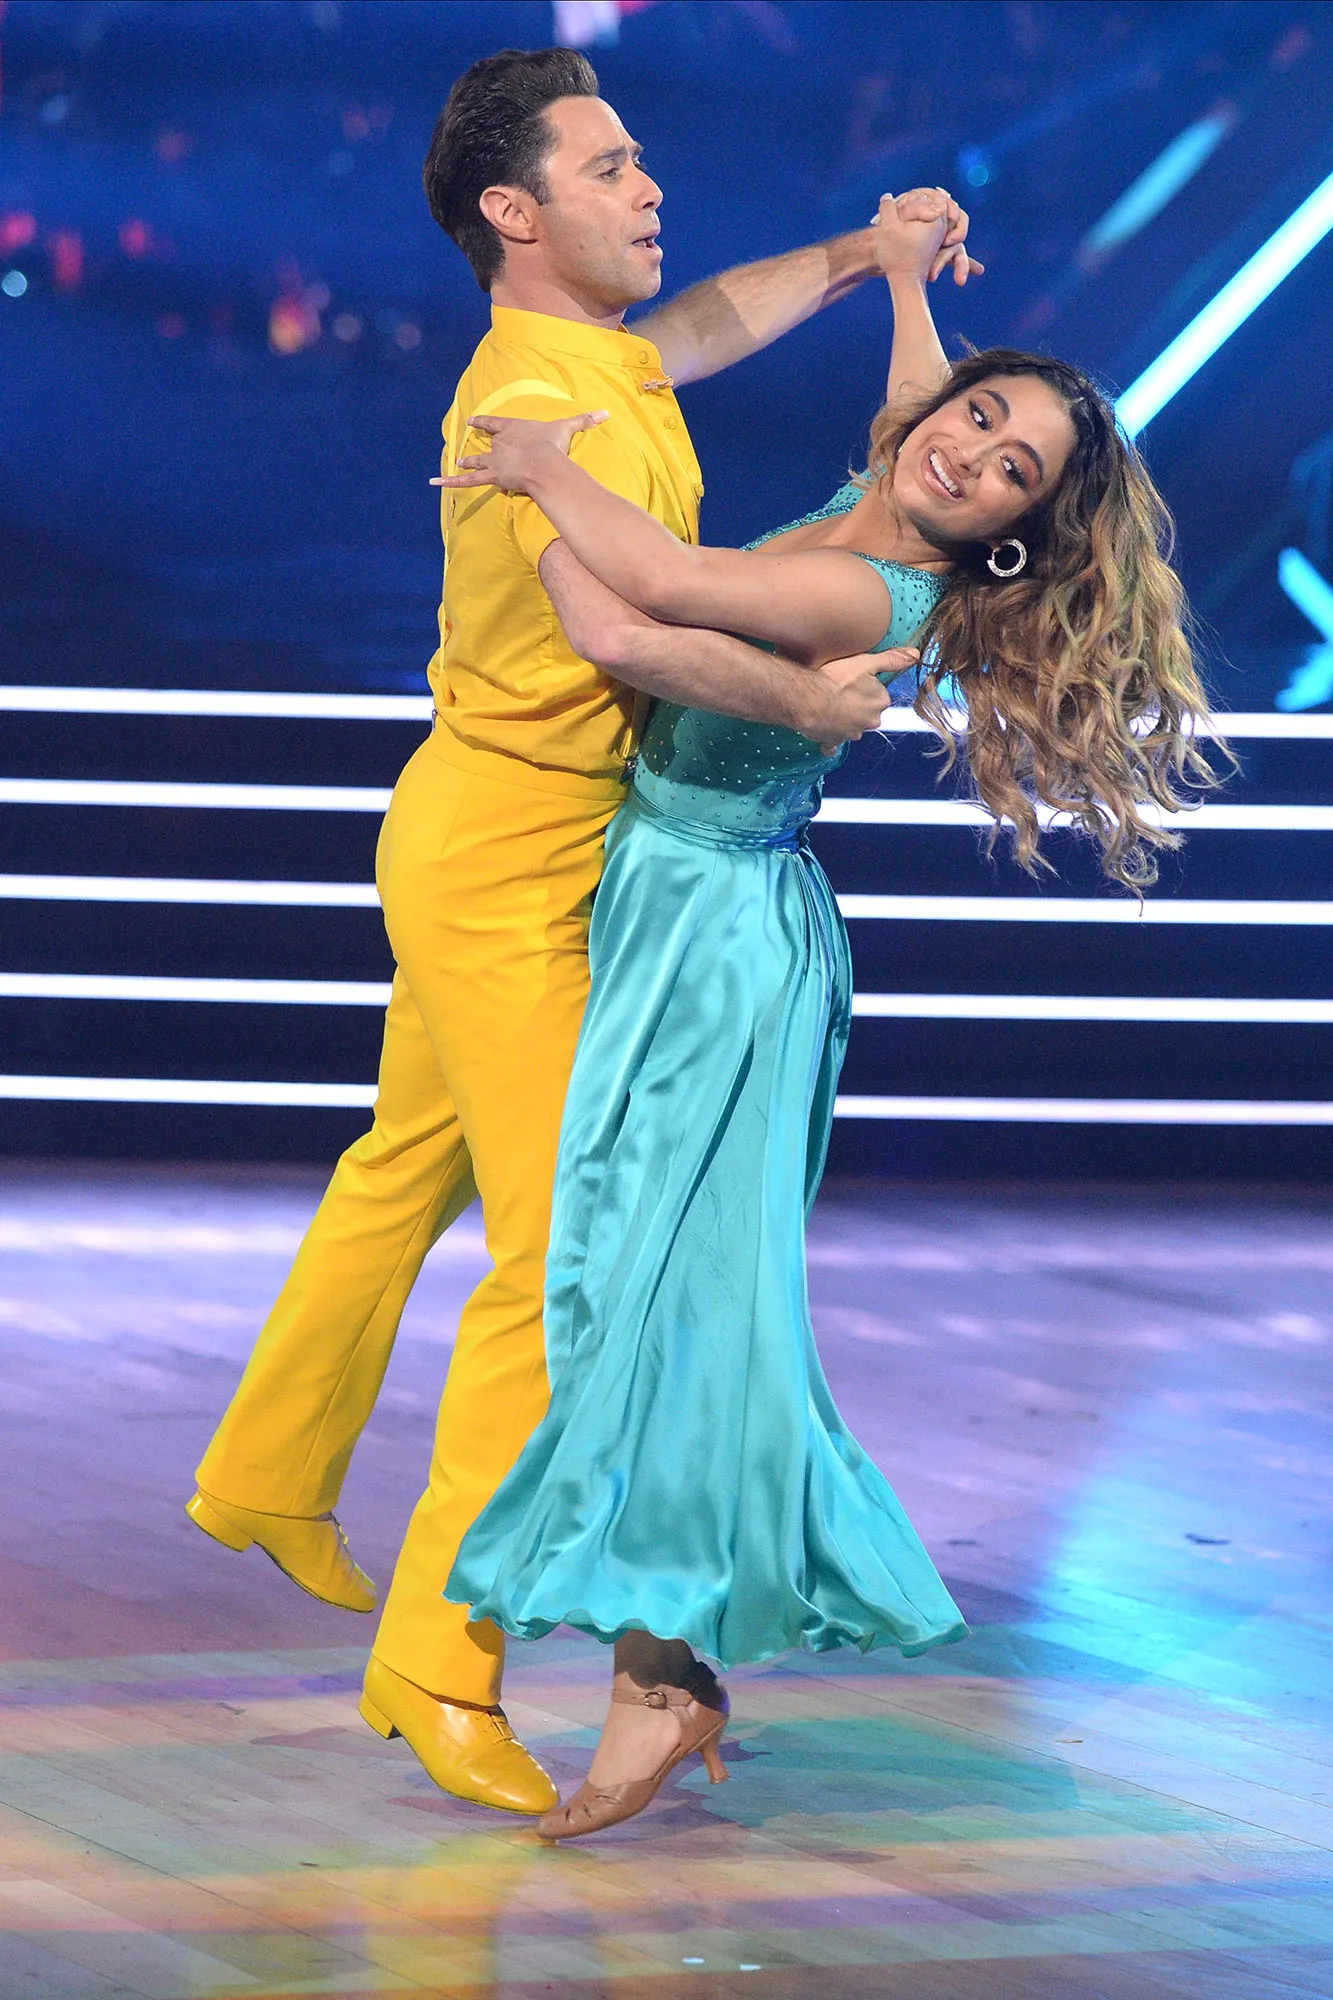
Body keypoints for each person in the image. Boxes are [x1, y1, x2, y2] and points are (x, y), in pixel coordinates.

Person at [185, 47, 966, 1818]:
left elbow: (702, 321)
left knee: (406, 1165)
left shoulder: (583, 361)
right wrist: (807, 694)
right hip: (514, 855)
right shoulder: (545, 409)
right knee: (554, 1269)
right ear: (514, 212)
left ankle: (268, 1474)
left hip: (487, 821)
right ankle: (429, 1662)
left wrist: (865, 257)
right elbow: (624, 640)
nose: (652, 187)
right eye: (611, 167)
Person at [440, 193, 1223, 1840]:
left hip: (720, 941)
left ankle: (663, 1679)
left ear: (1017, 533)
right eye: (980, 416)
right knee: (630, 1304)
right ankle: (671, 1668)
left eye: (1013, 471)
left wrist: (535, 468)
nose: (972, 455)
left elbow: (640, 590)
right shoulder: (894, 483)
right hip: (674, 913)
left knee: (672, 1320)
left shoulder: (879, 601)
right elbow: (906, 419)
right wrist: (897, 272)